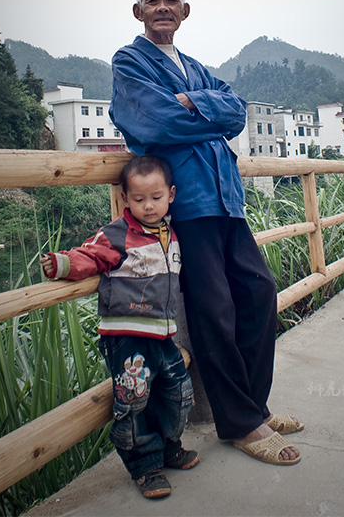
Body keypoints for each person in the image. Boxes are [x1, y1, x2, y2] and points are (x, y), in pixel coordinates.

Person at [109, 0, 303, 466]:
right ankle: (239, 423)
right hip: (188, 202)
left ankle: (253, 407)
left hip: (226, 197)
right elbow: (154, 121)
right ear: (138, 12)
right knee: (214, 309)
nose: (162, 6)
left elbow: (237, 113)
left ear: (185, 10)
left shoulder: (196, 68)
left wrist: (193, 102)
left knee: (259, 293)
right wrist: (207, 113)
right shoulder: (130, 62)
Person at [40, 154, 199, 499]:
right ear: (125, 199)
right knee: (133, 400)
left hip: (163, 333)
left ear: (171, 194)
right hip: (127, 337)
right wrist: (63, 264)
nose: (148, 206)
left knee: (178, 390)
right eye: (139, 199)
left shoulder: (171, 232)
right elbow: (91, 255)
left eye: (156, 197)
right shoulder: (119, 234)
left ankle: (169, 446)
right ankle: (145, 465)